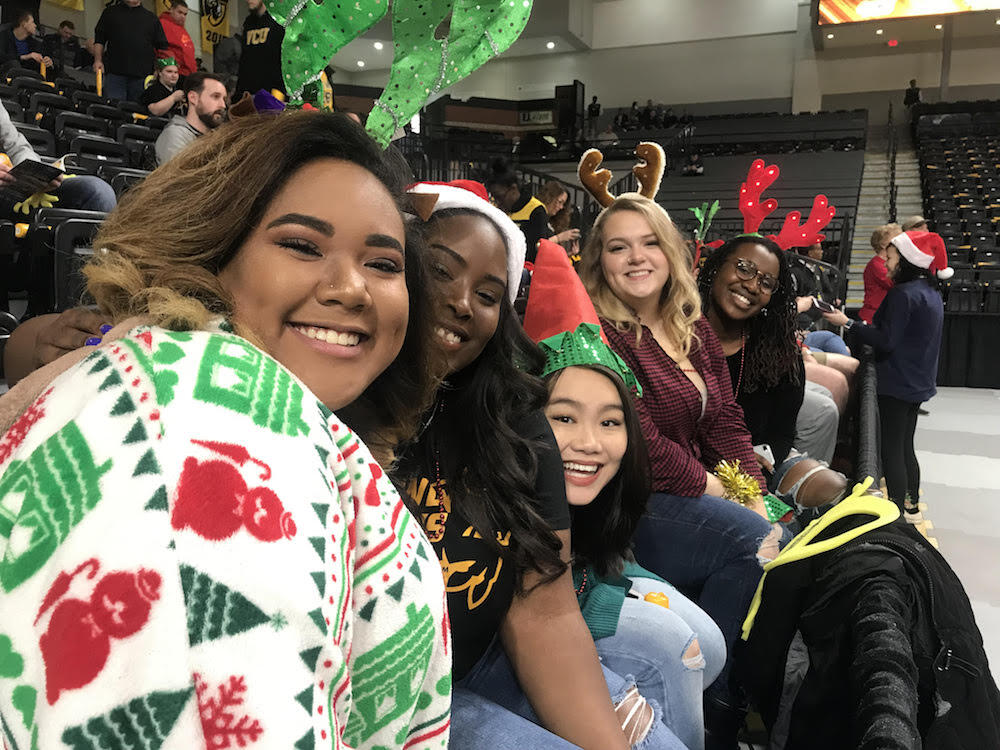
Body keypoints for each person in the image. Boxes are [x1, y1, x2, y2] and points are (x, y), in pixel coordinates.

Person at [0, 111, 451, 748]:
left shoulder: (263, 407)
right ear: (210, 250)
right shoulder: (207, 427)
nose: (353, 289)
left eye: (383, 263)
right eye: (301, 245)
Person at [400, 180, 675, 749]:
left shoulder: (513, 425)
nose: (460, 301)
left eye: (489, 293)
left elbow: (544, 610)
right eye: (440, 270)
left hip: (463, 669)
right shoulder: (319, 409)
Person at [576, 178, 784, 748]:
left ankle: (737, 684)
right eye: (618, 247)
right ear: (600, 262)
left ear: (670, 252)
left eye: (649, 242)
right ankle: (717, 704)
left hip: (691, 489)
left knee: (774, 523)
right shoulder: (602, 335)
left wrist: (752, 482)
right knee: (751, 537)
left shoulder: (690, 328)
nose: (636, 257)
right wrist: (721, 490)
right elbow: (639, 442)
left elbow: (724, 421)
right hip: (631, 497)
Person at [526, 239, 727, 750]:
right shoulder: (509, 497)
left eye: (610, 422)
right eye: (564, 417)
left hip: (593, 572)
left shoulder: (609, 496)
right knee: (673, 648)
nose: (590, 442)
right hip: (518, 641)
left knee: (712, 645)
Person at [697, 236, 847, 512]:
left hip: (753, 463)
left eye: (766, 283)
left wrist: (757, 458)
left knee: (830, 488)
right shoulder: (673, 329)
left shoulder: (779, 352)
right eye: (744, 268)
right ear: (716, 267)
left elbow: (781, 433)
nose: (753, 285)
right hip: (686, 465)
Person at [823, 230, 947, 523]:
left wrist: (849, 324)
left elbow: (886, 340)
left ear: (906, 260)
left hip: (897, 381)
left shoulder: (903, 294)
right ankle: (912, 505)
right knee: (906, 445)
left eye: (890, 258)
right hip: (917, 381)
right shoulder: (929, 292)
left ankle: (896, 515)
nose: (886, 263)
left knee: (892, 448)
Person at [0, 99, 117, 315]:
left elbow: (18, 146)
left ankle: (83, 309)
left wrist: (37, 173)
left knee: (96, 191)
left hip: (11, 189)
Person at [93, 0, 169, 102]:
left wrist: (159, 70)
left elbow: (162, 48)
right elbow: (99, 39)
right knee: (113, 110)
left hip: (142, 77)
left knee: (138, 112)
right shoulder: (110, 12)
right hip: (115, 73)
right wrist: (98, 60)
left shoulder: (152, 19)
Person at [154, 72, 228, 165]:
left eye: (224, 99)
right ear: (193, 98)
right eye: (215, 97)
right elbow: (179, 177)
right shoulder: (175, 135)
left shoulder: (218, 139)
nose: (223, 105)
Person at [484, 158, 549, 263]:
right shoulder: (497, 210)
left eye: (500, 197)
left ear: (513, 189)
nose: (497, 202)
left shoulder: (536, 210)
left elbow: (536, 251)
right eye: (494, 197)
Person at [236, 0, 285, 97]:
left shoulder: (278, 21)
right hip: (249, 91)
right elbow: (244, 60)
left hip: (272, 91)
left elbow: (282, 58)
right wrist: (238, 93)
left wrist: (281, 90)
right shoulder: (248, 23)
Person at [861, 222, 899, 324]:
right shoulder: (876, 264)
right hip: (874, 317)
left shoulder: (883, 262)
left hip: (883, 314)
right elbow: (893, 283)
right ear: (883, 244)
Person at [0, 11, 52, 78]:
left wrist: (49, 62)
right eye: (32, 22)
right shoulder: (3, 36)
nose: (35, 25)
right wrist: (25, 57)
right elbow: (2, 57)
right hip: (6, 76)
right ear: (24, 23)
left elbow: (41, 60)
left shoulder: (34, 44)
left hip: (27, 77)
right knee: (14, 64)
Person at [158, 0, 196, 77]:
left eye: (185, 14)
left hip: (188, 73)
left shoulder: (182, 28)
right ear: (171, 10)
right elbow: (160, 49)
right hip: (175, 73)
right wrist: (172, 65)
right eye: (180, 12)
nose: (183, 16)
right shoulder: (163, 24)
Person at [538, 180, 581, 247]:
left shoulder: (551, 222)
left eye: (563, 204)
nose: (561, 207)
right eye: (560, 202)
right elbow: (538, 245)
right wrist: (559, 238)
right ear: (549, 198)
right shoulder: (536, 218)